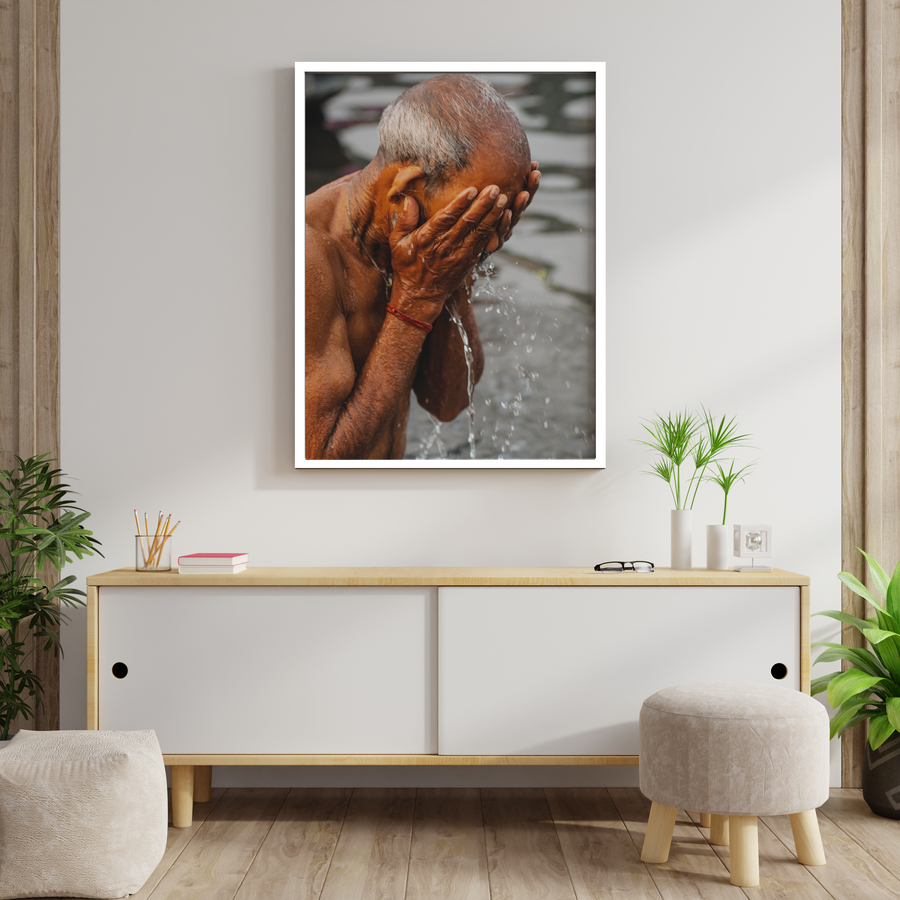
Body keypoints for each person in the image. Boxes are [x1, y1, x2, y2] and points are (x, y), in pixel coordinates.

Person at [304, 73, 540, 460]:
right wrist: (416, 298)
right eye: (472, 218)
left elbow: (448, 401)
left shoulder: (423, 251)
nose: (480, 236)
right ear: (406, 189)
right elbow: (320, 464)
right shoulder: (307, 255)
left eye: (491, 223)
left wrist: (456, 273)